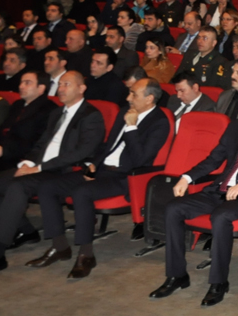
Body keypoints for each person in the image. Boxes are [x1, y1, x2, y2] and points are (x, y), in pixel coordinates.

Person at [150, 82, 238, 306]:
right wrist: (186, 177)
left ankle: (218, 282)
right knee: (173, 208)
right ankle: (177, 275)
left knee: (221, 216)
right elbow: (214, 159)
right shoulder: (235, 127)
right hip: (219, 190)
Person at [0, 71, 105, 280]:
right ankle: (25, 229)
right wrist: (27, 163)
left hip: (64, 171)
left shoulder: (91, 115)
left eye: (67, 84)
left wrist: (38, 168)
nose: (62, 89)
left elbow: (81, 153)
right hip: (40, 167)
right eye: (61, 85)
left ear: (81, 88)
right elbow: (40, 144)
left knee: (17, 186)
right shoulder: (57, 113)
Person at [32, 78, 169, 278]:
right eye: (129, 92)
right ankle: (59, 245)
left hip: (125, 177)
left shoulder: (160, 122)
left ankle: (86, 255)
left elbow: (141, 160)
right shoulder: (124, 111)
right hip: (102, 170)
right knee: (47, 187)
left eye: (133, 94)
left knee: (81, 192)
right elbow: (108, 146)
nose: (128, 97)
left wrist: (131, 127)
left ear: (149, 99)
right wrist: (93, 164)